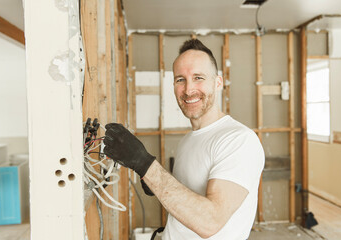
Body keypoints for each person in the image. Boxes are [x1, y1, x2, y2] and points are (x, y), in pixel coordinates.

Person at [104, 39, 265, 240]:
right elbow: (189, 202)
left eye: (198, 77)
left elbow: (210, 221)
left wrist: (145, 164)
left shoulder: (239, 140)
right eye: (181, 79)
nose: (188, 90)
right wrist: (156, 183)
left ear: (218, 83)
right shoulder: (188, 140)